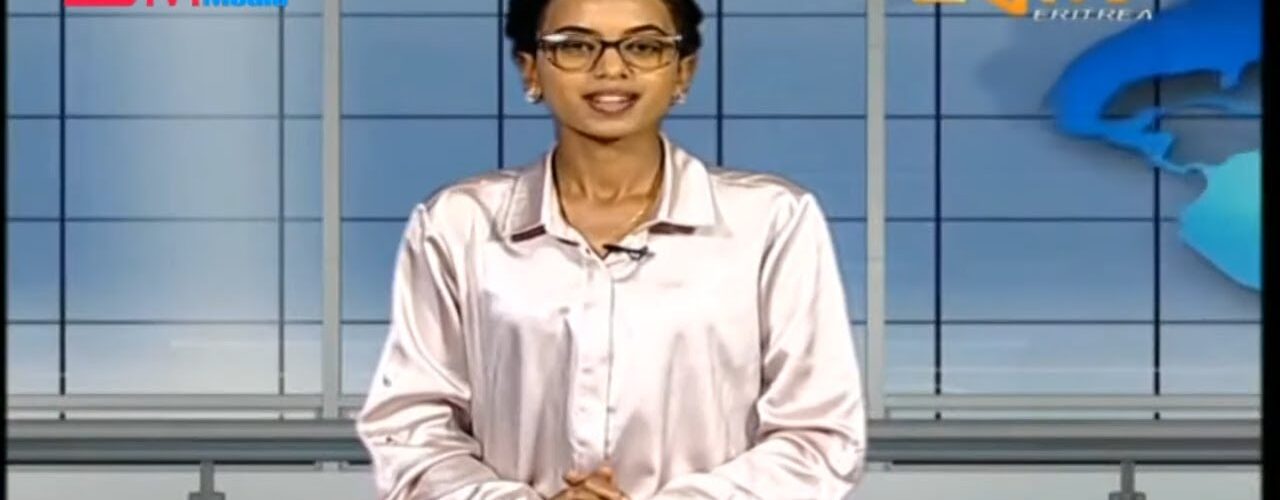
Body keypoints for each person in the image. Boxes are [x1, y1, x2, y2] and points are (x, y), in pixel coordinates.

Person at [355, 0, 868, 498]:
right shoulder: (459, 224)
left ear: (683, 72)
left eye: (643, 46)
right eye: (575, 46)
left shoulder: (772, 221)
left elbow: (819, 435)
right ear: (531, 69)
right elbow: (409, 428)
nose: (611, 68)